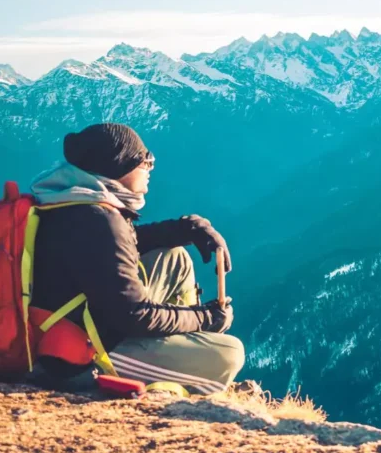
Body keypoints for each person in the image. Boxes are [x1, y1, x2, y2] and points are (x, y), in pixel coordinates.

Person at [28, 122, 243, 394]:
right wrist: (204, 318)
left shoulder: (71, 202)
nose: (150, 168)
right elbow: (135, 315)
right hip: (79, 357)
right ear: (120, 166)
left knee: (175, 258)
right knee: (229, 354)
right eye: (145, 161)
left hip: (67, 326)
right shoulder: (98, 220)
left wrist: (187, 228)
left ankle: (183, 345)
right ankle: (186, 377)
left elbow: (115, 247)